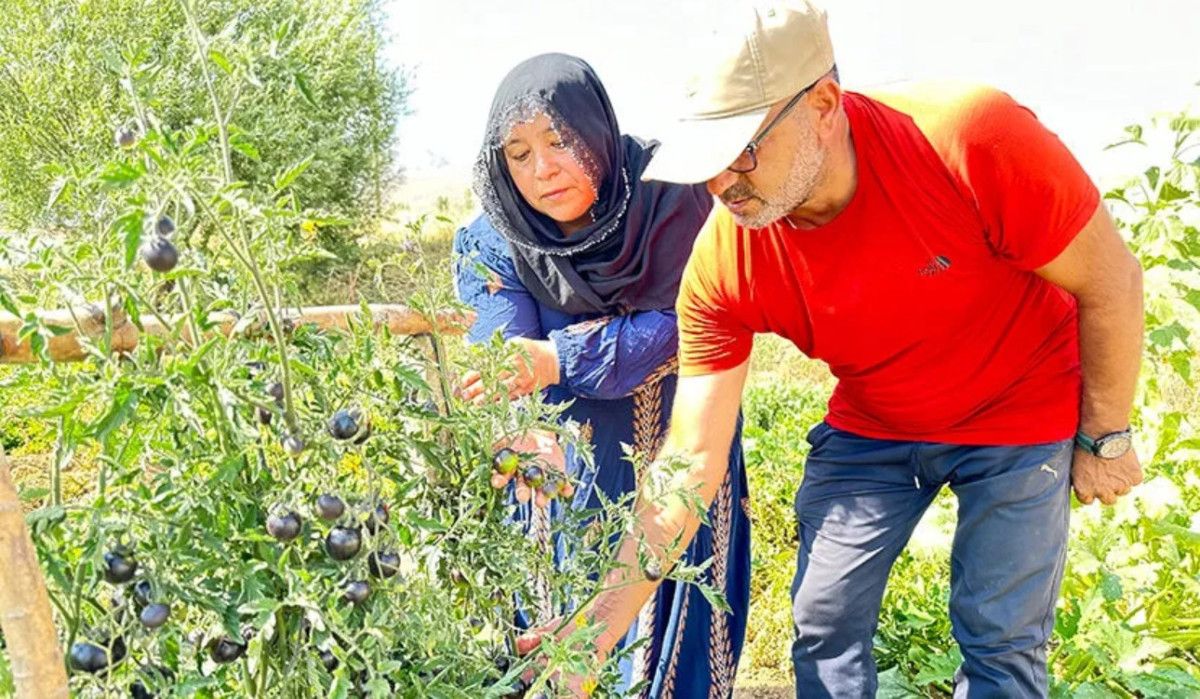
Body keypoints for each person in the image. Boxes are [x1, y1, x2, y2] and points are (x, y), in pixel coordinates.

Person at [533, 3, 1145, 697]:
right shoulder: (726, 259)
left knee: (999, 636)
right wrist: (589, 638)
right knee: (822, 619)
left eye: (742, 151)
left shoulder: (968, 136)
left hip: (1020, 408)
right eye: (706, 161)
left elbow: (1112, 280)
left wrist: (1105, 433)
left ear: (823, 104)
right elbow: (688, 463)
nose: (722, 185)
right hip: (878, 421)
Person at [452, 53, 751, 697]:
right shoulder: (496, 238)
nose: (542, 170)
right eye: (519, 153)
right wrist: (520, 426)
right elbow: (500, 352)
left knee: (682, 626)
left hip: (684, 449)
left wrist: (558, 359)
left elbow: (690, 323)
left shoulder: (679, 204)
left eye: (558, 140)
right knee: (566, 628)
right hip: (567, 468)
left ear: (596, 131)